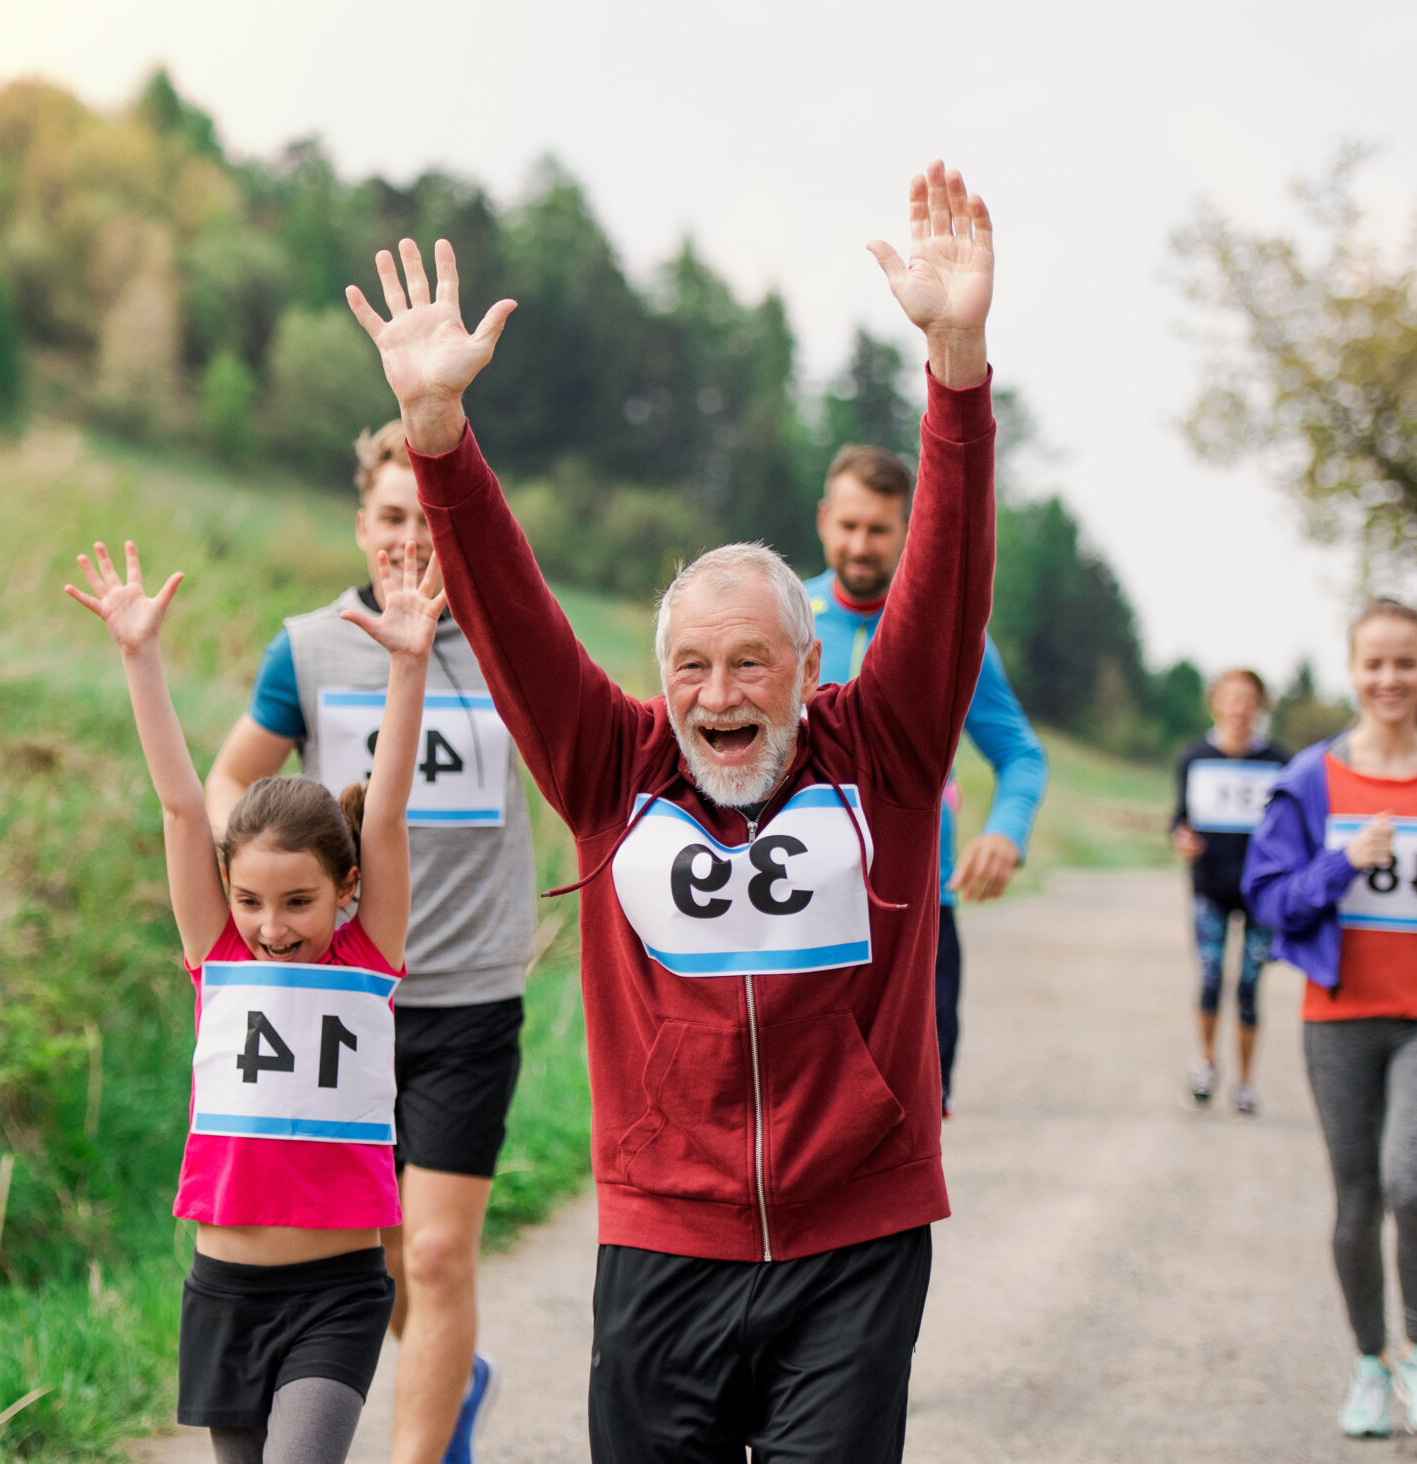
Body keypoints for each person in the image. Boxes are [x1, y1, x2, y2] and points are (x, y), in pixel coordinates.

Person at [343, 159, 995, 1462]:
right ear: (658, 680)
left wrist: (958, 370)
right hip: (662, 1244)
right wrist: (436, 436)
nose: (718, 694)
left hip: (856, 1244)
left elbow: (947, 570)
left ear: (812, 671)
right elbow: (518, 616)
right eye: (690, 666)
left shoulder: (889, 751)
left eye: (751, 662)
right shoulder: (610, 765)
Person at [67, 538, 442, 1464]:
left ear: (347, 888)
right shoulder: (218, 954)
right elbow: (184, 809)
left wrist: (409, 665)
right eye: (251, 901)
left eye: (298, 903)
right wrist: (138, 658)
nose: (272, 926)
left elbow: (386, 811)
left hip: (338, 1294)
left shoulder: (368, 953)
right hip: (224, 1291)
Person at [207, 422, 534, 1464]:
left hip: (467, 993)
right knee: (376, 1259)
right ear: (363, 526)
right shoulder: (305, 648)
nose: (410, 543)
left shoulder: (510, 644)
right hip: (336, 1005)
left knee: (434, 1255)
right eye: (392, 519)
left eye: (431, 523)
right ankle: (457, 1384)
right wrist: (258, 902)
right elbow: (228, 783)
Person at [1243, 599, 1417, 1440]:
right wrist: (1339, 864)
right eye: (1375, 664)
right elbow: (1269, 898)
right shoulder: (1311, 780)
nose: (1390, 679)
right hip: (1340, 1019)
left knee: (1412, 1182)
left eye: (1407, 663)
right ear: (1352, 670)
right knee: (1357, 1197)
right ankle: (1369, 1366)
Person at [807, 443, 1045, 1115]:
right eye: (849, 526)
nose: (860, 545)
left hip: (921, 911)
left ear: (907, 529)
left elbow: (1022, 753)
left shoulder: (947, 632)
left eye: (878, 529)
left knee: (914, 1112)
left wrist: (1005, 832)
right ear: (824, 520)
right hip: (802, 903)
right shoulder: (783, 619)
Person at [1168, 668, 1291, 1115]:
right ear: (1215, 703)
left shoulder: (1279, 761)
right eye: (1230, 697)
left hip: (1260, 894)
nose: (1239, 707)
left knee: (1249, 987)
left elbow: (1291, 826)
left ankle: (1245, 1082)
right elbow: (1178, 817)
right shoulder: (1194, 757)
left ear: (1260, 706)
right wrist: (1180, 837)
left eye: (1248, 699)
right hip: (1210, 888)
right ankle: (1205, 1064)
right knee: (1211, 977)